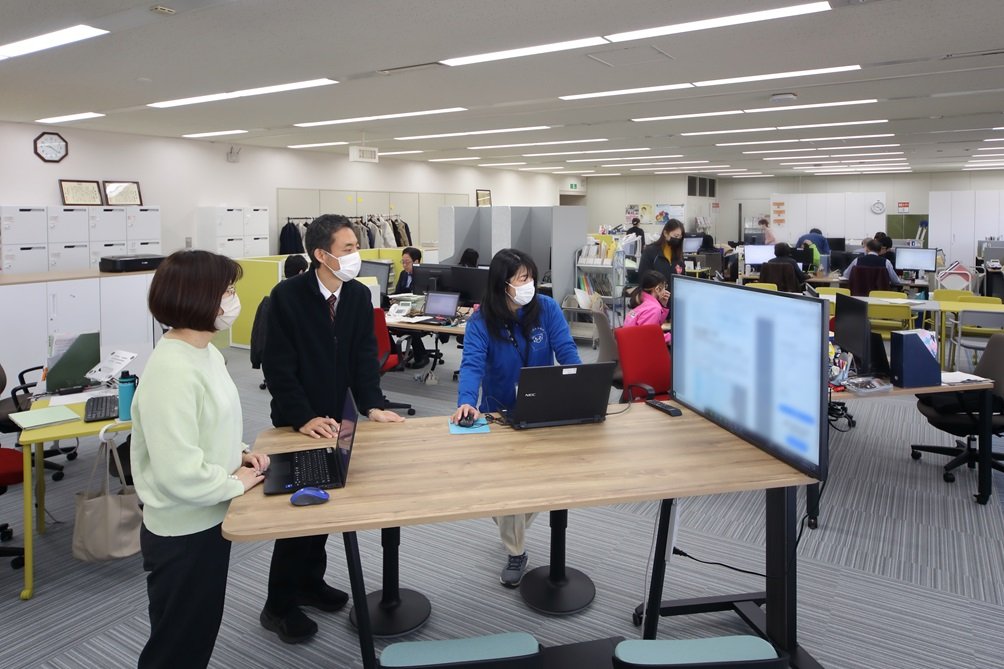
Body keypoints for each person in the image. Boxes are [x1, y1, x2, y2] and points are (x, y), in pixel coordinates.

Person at [261, 214, 405, 644]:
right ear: (322, 255)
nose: (356, 255)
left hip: (339, 418)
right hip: (298, 421)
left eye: (356, 246)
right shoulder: (287, 296)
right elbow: (277, 365)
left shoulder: (357, 295)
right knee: (299, 513)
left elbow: (364, 356)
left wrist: (373, 405)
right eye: (348, 248)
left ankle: (310, 583)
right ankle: (278, 605)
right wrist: (303, 417)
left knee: (327, 507)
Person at [131, 250, 269, 669]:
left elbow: (209, 424)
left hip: (209, 515)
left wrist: (240, 454)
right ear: (197, 296)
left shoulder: (205, 351)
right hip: (184, 528)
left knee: (197, 629)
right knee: (177, 645)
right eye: (226, 290)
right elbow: (178, 472)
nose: (233, 299)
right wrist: (235, 482)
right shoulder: (172, 370)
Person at [451, 248, 581, 588]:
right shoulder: (481, 322)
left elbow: (566, 350)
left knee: (528, 489)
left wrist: (582, 384)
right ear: (503, 284)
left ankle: (514, 543)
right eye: (522, 279)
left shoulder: (546, 308)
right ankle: (515, 546)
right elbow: (472, 365)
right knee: (502, 491)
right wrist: (466, 403)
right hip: (499, 411)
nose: (530, 285)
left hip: (543, 408)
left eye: (531, 277)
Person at [392, 247, 431, 368]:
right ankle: (393, 355)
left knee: (411, 329)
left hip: (418, 310)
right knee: (385, 325)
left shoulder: (424, 277)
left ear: (416, 261)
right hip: (403, 309)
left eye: (407, 262)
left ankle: (422, 356)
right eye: (402, 262)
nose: (404, 265)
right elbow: (397, 292)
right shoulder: (403, 274)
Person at [624, 270, 672, 344]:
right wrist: (671, 337)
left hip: (630, 345)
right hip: (638, 347)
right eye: (664, 286)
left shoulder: (642, 299)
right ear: (657, 289)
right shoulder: (654, 308)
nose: (665, 290)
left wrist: (663, 305)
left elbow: (654, 324)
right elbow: (648, 336)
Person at [637, 218, 686, 289]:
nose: (678, 239)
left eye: (680, 237)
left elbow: (682, 278)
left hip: (675, 294)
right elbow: (643, 279)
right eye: (675, 236)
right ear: (665, 233)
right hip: (655, 295)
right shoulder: (650, 252)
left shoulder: (679, 255)